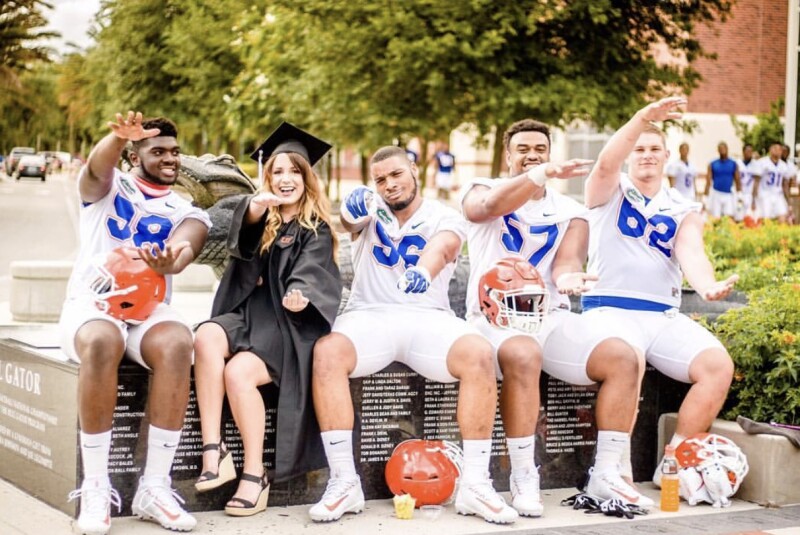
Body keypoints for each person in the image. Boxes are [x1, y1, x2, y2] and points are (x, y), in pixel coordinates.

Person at [310, 146, 518, 524]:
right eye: (380, 180)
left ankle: (475, 482)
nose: (390, 185)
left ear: (414, 171)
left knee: (478, 353)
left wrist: (423, 269)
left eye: (396, 175)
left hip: (426, 316)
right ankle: (344, 481)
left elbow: (444, 246)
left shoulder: (444, 215)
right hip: (370, 314)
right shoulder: (371, 211)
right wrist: (349, 212)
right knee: (327, 352)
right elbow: (347, 224)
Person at [462, 119, 650, 510]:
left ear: (550, 151)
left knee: (622, 356)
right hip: (494, 316)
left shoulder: (570, 209)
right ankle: (523, 475)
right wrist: (538, 174)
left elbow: (565, 264)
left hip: (547, 311)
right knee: (524, 353)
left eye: (541, 149)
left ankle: (606, 474)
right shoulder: (482, 187)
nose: (532, 154)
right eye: (524, 149)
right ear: (508, 155)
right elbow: (487, 209)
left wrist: (569, 280)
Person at [59, 111, 211, 534]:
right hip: (94, 304)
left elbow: (185, 248)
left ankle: (154, 486)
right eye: (158, 150)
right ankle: (95, 485)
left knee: (180, 342)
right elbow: (95, 169)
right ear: (133, 155)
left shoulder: (187, 209)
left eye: (175, 152)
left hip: (147, 309)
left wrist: (171, 259)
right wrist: (114, 139)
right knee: (103, 341)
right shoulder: (107, 188)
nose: (170, 159)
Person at [576, 97, 738, 491]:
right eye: (639, 149)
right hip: (608, 309)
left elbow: (691, 252)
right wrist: (642, 119)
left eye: (653, 149)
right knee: (627, 362)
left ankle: (676, 459)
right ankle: (617, 469)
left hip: (662, 314)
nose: (646, 156)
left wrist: (706, 285)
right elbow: (605, 163)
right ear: (629, 155)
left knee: (718, 367)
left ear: (667, 156)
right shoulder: (607, 189)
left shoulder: (683, 206)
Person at [192, 123, 342, 516]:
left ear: (307, 179)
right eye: (278, 171)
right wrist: (257, 208)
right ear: (267, 177)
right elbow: (240, 246)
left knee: (239, 374)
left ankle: (255, 475)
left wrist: (300, 296)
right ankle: (215, 451)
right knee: (206, 336)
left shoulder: (316, 229)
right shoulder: (260, 215)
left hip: (282, 326)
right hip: (248, 316)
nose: (286, 178)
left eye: (295, 171)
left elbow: (312, 273)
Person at [754, 141, 797, 223]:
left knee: (783, 216)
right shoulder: (762, 162)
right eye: (775, 148)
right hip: (765, 194)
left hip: (778, 195)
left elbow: (785, 185)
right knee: (766, 219)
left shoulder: (783, 165)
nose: (778, 151)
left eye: (780, 149)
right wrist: (754, 198)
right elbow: (756, 181)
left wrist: (788, 201)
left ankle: (780, 235)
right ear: (770, 149)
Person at [704, 142, 740, 219]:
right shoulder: (713, 164)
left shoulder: (733, 164)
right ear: (718, 150)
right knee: (715, 218)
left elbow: (737, 180)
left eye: (724, 148)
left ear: (727, 149)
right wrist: (705, 197)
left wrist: (740, 194)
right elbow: (708, 181)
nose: (722, 150)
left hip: (728, 194)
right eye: (720, 149)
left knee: (729, 217)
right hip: (716, 193)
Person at [736, 144, 761, 220]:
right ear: (743, 152)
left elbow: (756, 182)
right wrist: (738, 194)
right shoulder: (737, 163)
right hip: (739, 194)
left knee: (751, 217)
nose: (749, 153)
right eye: (747, 151)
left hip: (750, 194)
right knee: (738, 215)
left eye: (751, 151)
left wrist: (754, 198)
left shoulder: (756, 164)